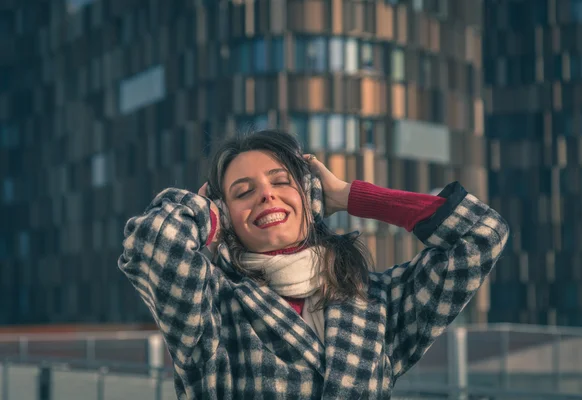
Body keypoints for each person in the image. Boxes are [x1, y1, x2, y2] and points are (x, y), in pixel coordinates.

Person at [118, 130, 509, 399]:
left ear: (310, 198)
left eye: (280, 181)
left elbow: (480, 235)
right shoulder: (211, 305)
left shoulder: (374, 303)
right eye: (244, 192)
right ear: (225, 213)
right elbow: (154, 244)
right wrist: (206, 214)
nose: (267, 195)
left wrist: (351, 196)